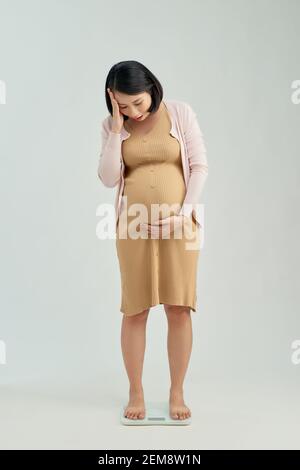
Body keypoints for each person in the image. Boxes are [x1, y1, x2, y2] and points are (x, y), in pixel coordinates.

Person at [98, 60, 208, 420]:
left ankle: (177, 393)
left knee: (178, 307)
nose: (134, 112)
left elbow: (200, 165)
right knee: (135, 308)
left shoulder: (180, 113)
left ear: (152, 88)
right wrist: (116, 130)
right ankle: (136, 391)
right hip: (133, 227)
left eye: (138, 103)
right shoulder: (113, 127)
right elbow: (108, 177)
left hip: (181, 225)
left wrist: (183, 213)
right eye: (123, 106)